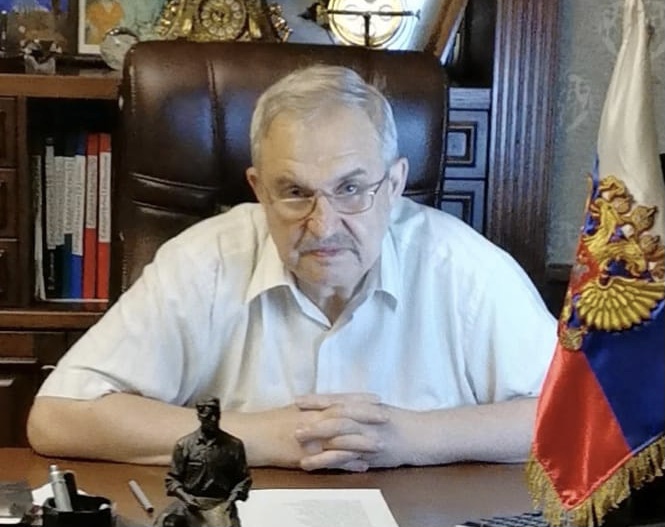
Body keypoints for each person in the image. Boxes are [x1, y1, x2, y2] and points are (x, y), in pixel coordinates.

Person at [27, 64, 557, 473]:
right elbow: (58, 416)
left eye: (351, 188)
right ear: (259, 190)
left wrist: (407, 438)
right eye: (295, 192)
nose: (323, 225)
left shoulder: (460, 267)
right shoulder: (206, 260)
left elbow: (580, 415)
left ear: (394, 185)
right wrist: (261, 438)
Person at [162, 397, 251, 527]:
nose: (213, 420)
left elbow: (243, 479)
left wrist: (232, 499)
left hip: (220, 503)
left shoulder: (234, 446)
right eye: (209, 416)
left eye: (216, 415)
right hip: (190, 502)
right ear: (200, 417)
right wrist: (185, 498)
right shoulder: (184, 445)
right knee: (169, 523)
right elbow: (172, 480)